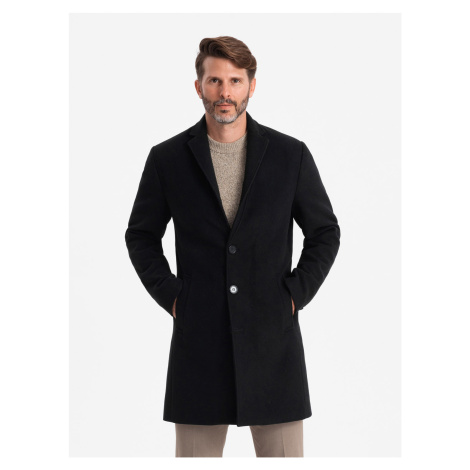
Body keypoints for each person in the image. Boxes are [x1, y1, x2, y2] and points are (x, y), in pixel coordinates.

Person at [125, 36, 341, 457]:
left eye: (235, 81)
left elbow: (325, 232)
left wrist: (294, 295)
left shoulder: (289, 155)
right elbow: (141, 235)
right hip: (199, 344)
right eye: (215, 81)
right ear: (199, 86)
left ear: (251, 86)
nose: (225, 92)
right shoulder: (167, 159)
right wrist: (173, 297)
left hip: (272, 345)